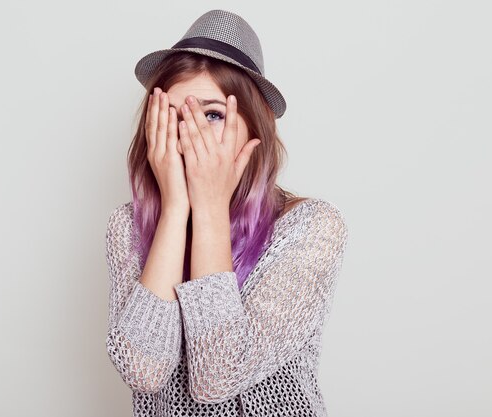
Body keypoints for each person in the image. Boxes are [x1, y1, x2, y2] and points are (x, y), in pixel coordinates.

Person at [105, 9, 349, 417]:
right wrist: (177, 209)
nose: (190, 132)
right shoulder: (126, 226)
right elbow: (143, 370)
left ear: (258, 126)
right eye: (173, 115)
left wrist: (211, 210)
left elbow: (218, 374)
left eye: (213, 114)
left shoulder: (312, 227)